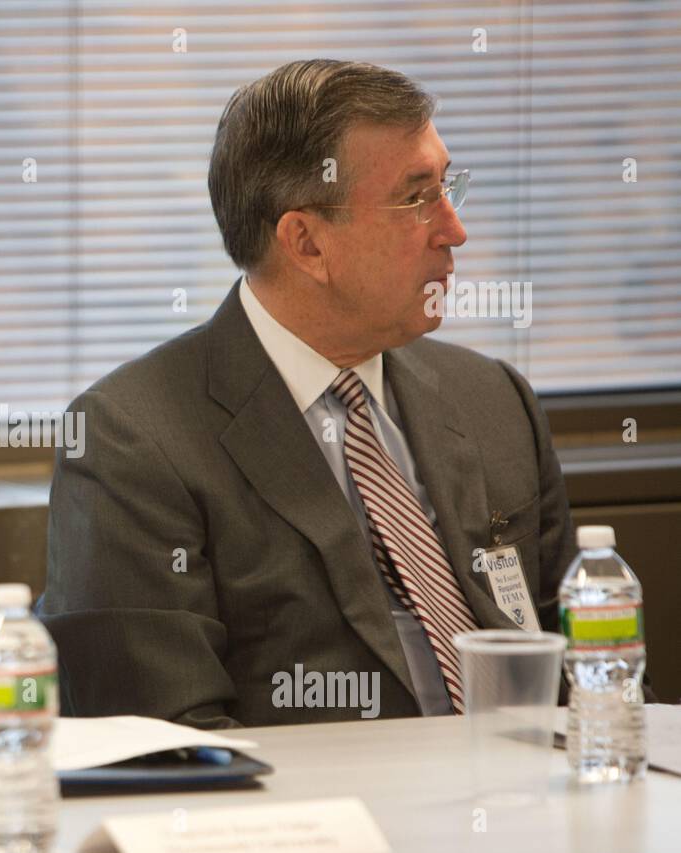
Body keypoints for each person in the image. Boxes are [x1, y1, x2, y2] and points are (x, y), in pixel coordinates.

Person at [40, 59, 582, 727]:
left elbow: (594, 662)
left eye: (449, 187)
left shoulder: (492, 399)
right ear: (306, 243)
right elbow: (171, 745)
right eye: (417, 198)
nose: (453, 229)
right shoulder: (132, 441)